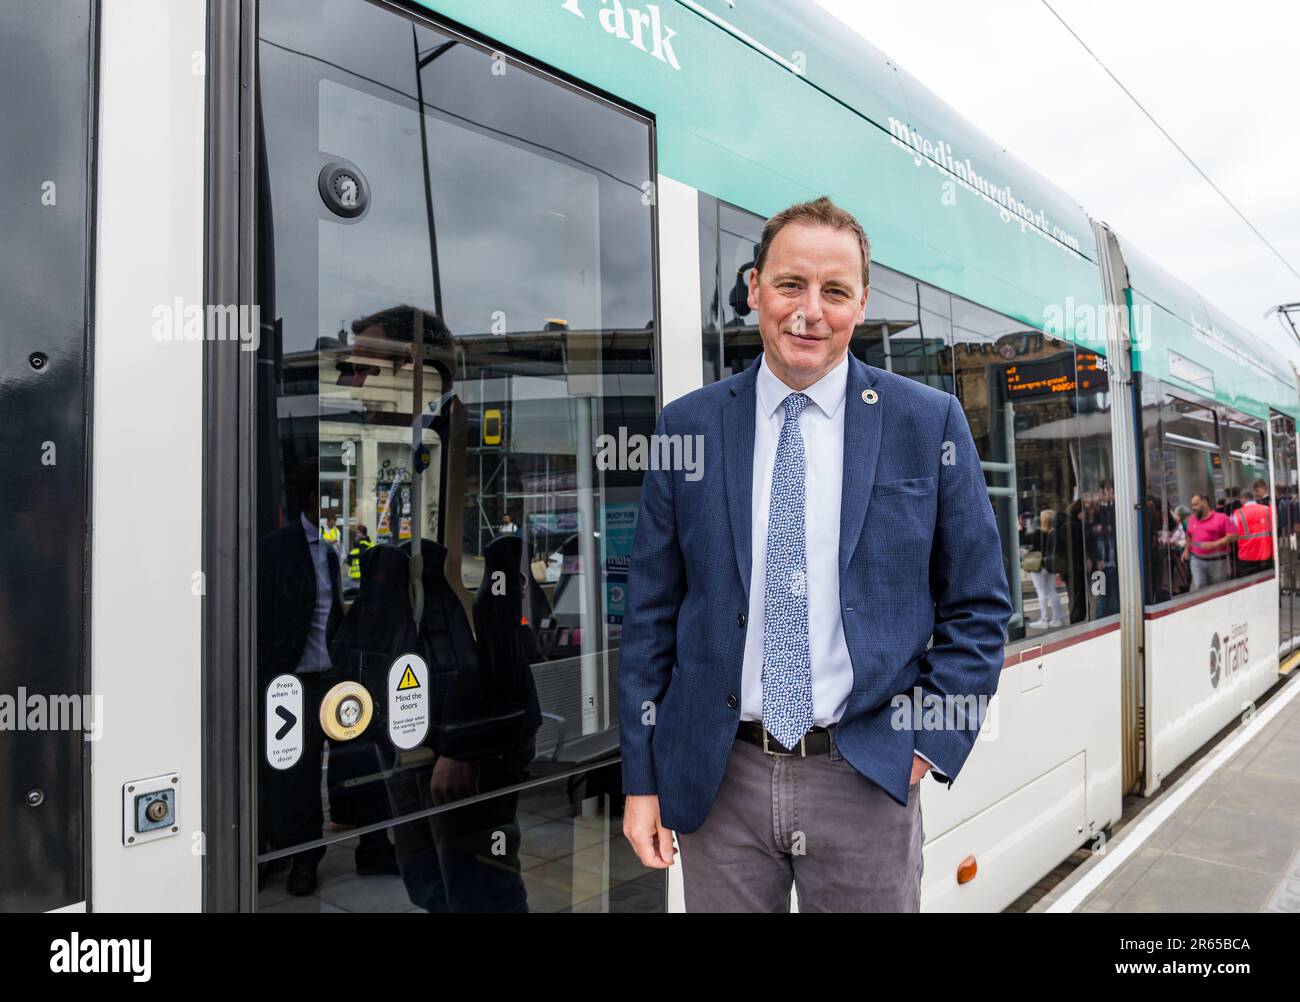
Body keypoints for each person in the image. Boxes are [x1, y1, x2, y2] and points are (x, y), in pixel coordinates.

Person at [618, 196, 1012, 912]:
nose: (810, 311)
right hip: (721, 778)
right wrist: (641, 780)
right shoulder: (688, 428)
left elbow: (980, 603)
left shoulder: (928, 424)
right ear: (754, 290)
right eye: (790, 285)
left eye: (834, 292)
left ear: (860, 304)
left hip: (866, 774)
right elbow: (649, 617)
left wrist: (926, 740)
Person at [1181, 492, 1235, 590]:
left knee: (1219, 590)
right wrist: (1186, 550)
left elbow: (1232, 536)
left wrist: (1213, 544)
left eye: (1196, 504)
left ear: (1205, 503)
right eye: (1192, 505)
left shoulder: (1222, 518)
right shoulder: (1192, 519)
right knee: (1200, 588)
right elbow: (1189, 534)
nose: (1193, 508)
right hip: (1197, 561)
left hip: (1218, 561)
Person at [1024, 509, 1063, 628]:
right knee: (1052, 590)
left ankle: (1044, 619)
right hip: (1050, 565)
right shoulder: (1056, 533)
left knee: (1040, 591)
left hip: (1038, 565)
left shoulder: (1037, 533)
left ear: (1043, 520)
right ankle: (1057, 619)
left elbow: (1032, 547)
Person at [1231, 487, 1273, 577]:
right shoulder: (1266, 509)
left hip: (1247, 556)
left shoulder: (1237, 514)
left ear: (1242, 499)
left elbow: (1232, 535)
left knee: (1250, 585)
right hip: (1265, 553)